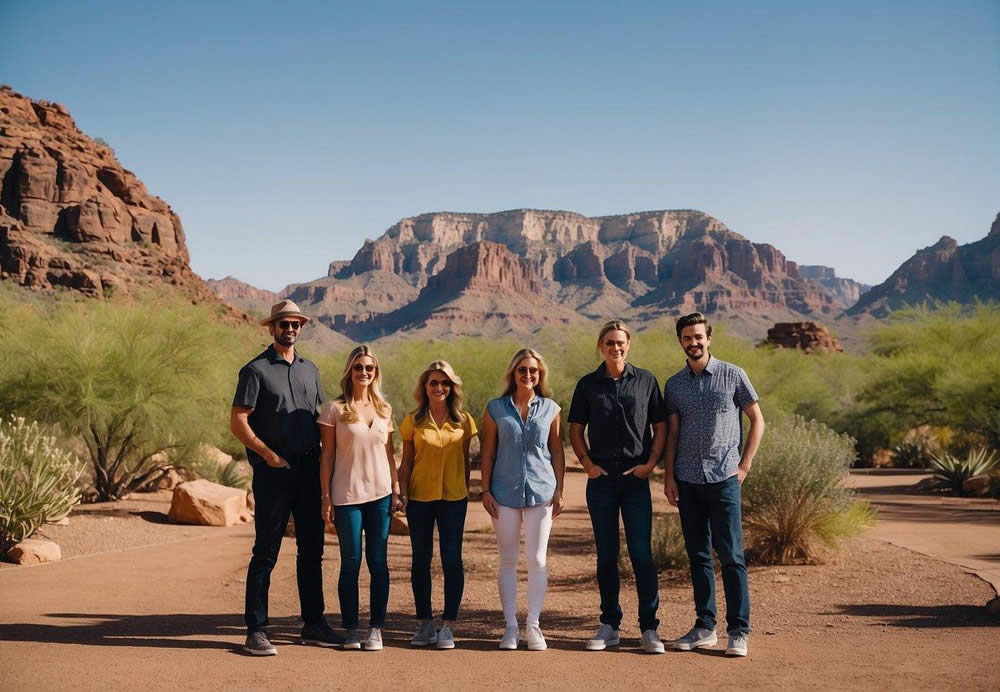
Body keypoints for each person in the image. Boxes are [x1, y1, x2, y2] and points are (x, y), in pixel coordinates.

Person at [231, 299, 340, 655]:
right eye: (283, 324)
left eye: (295, 324)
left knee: (312, 551)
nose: (289, 329)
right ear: (271, 328)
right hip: (273, 474)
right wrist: (268, 455)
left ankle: (314, 624)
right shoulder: (255, 370)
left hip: (309, 471)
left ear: (301, 328)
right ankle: (257, 630)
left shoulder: (311, 370)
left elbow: (319, 422)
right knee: (266, 552)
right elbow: (239, 421)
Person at [663, 312, 765, 657]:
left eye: (699, 337)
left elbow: (757, 421)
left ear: (709, 338)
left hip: (723, 478)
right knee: (698, 556)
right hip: (688, 480)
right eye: (687, 338)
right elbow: (673, 433)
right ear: (680, 342)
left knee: (732, 556)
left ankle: (739, 631)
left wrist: (745, 463)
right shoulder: (674, 385)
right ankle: (705, 626)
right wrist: (669, 476)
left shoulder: (733, 375)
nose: (694, 343)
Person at [568, 319, 667, 654]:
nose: (615, 348)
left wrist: (651, 463)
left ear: (629, 345)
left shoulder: (647, 380)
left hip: (636, 479)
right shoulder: (588, 385)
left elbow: (660, 425)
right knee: (607, 556)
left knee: (641, 555)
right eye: (609, 343)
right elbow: (575, 429)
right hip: (602, 481)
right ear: (601, 346)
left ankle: (649, 628)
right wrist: (586, 464)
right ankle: (609, 624)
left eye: (620, 342)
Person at [318, 345, 403, 651]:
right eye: (358, 367)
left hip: (380, 495)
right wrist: (326, 497)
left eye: (369, 368)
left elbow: (389, 453)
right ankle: (352, 629)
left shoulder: (384, 409)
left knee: (378, 562)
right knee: (350, 563)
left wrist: (395, 488)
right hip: (347, 495)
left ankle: (376, 629)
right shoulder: (334, 409)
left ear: (375, 372)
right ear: (349, 371)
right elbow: (327, 456)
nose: (364, 372)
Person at [480, 348, 565, 651]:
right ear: (513, 373)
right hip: (503, 493)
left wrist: (559, 490)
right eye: (522, 370)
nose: (528, 375)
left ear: (540, 375)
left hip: (542, 492)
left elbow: (556, 450)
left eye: (533, 371)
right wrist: (485, 490)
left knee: (537, 560)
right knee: (507, 560)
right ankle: (510, 627)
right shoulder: (495, 409)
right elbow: (488, 451)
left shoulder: (552, 408)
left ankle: (533, 625)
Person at [397, 360, 478, 649]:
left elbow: (466, 461)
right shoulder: (412, 421)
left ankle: (448, 626)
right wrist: (402, 492)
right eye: (433, 382)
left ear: (452, 387)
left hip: (454, 499)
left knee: (452, 560)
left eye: (445, 383)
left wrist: (466, 490)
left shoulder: (465, 421)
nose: (439, 387)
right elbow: (406, 462)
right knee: (421, 560)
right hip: (419, 498)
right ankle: (425, 624)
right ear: (425, 387)